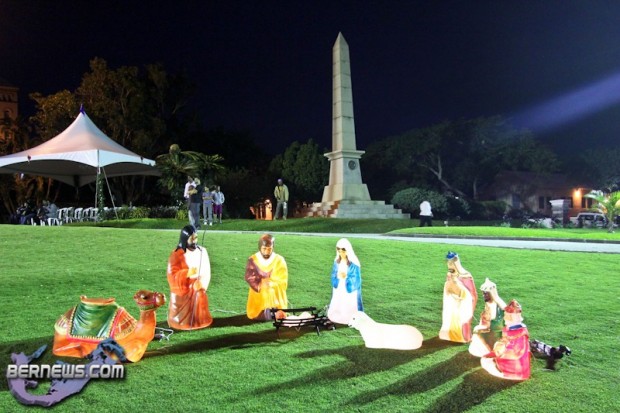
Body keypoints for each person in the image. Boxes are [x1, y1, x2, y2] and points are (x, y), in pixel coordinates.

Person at [166, 225, 213, 330]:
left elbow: (206, 271)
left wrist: (201, 283)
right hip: (183, 290)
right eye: (192, 238)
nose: (195, 241)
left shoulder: (202, 251)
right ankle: (183, 321)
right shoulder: (176, 254)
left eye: (196, 238)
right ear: (185, 239)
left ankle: (199, 320)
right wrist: (188, 273)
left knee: (199, 295)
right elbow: (172, 275)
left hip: (198, 287)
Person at [480, 300, 531, 380]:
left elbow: (520, 349)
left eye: (508, 317)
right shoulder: (506, 328)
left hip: (516, 355)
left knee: (500, 356)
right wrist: (500, 345)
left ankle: (510, 371)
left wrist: (504, 349)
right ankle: (501, 366)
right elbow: (503, 340)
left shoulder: (521, 331)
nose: (506, 319)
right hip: (505, 349)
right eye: (506, 316)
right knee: (495, 352)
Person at [244, 233, 288, 320]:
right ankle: (262, 313)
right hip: (259, 291)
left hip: (274, 291)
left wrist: (272, 283)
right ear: (260, 247)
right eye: (264, 249)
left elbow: (282, 279)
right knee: (264, 290)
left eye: (269, 249)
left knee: (270, 289)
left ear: (273, 248)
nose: (267, 252)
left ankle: (276, 311)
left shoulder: (279, 260)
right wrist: (260, 285)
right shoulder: (253, 259)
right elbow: (249, 276)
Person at [439, 251, 478, 343]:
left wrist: (471, 307)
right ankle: (450, 334)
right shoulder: (450, 274)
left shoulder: (465, 276)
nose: (449, 266)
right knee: (450, 319)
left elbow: (473, 294)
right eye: (448, 263)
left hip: (463, 304)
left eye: (451, 263)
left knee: (463, 321)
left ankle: (463, 337)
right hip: (452, 303)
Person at [327, 238, 363, 325]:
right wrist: (337, 277)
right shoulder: (337, 262)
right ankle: (337, 315)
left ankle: (349, 317)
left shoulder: (354, 263)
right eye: (339, 251)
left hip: (348, 287)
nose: (341, 253)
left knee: (348, 303)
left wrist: (346, 277)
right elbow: (333, 274)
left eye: (343, 251)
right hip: (339, 286)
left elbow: (356, 278)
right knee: (339, 301)